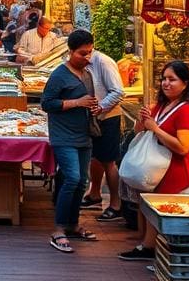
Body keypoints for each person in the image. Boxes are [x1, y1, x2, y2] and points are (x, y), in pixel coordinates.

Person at [119, 61, 189, 262]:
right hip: (160, 174)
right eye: (164, 79)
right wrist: (143, 121)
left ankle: (164, 257)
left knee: (169, 218)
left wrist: (155, 128)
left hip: (179, 174)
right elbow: (140, 132)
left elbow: (183, 147)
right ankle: (149, 248)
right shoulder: (161, 106)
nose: (166, 83)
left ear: (185, 83)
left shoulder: (187, 111)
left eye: (172, 79)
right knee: (153, 213)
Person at [41, 30, 99, 253]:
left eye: (90, 53)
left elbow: (89, 101)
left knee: (82, 181)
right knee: (72, 178)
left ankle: (73, 224)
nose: (87, 58)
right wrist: (76, 103)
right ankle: (58, 229)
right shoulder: (59, 75)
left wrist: (95, 107)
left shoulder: (87, 75)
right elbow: (47, 104)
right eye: (82, 54)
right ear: (71, 52)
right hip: (63, 135)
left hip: (84, 134)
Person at [78, 31, 126, 221]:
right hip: (93, 118)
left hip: (108, 118)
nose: (85, 56)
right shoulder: (81, 62)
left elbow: (118, 91)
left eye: (86, 52)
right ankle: (94, 194)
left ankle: (116, 204)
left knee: (108, 161)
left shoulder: (103, 62)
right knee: (95, 158)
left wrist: (101, 107)